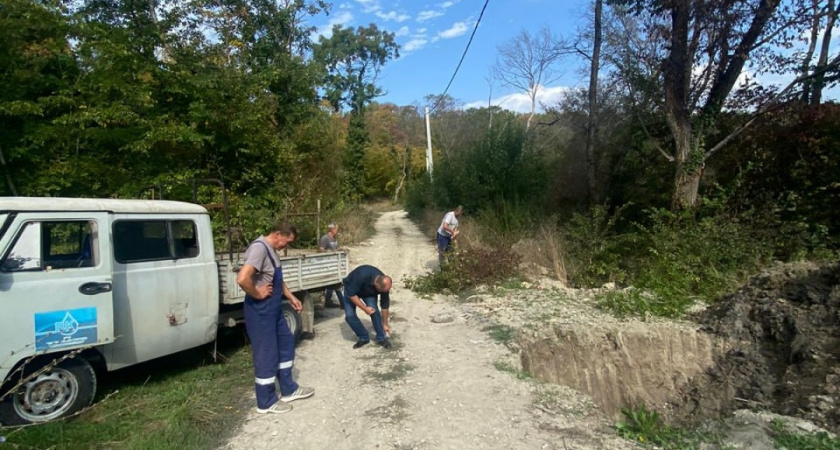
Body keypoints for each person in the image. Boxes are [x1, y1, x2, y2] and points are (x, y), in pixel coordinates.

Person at [236, 222, 314, 414]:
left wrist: (291, 297)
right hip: (261, 309)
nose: (285, 246)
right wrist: (257, 293)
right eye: (286, 242)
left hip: (275, 308)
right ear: (278, 234)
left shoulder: (271, 250)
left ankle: (288, 389)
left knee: (286, 342)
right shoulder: (259, 249)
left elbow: (276, 280)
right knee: (266, 353)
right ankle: (266, 401)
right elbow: (242, 278)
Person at [341, 265, 392, 349]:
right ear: (376, 286)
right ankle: (363, 337)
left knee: (374, 312)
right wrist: (365, 309)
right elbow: (351, 295)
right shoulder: (361, 275)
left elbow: (385, 306)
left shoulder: (384, 284)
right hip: (351, 290)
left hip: (368, 293)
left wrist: (385, 324)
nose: (384, 293)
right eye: (381, 292)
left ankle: (381, 338)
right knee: (350, 317)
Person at [318, 223, 345, 309]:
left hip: (335, 264)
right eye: (336, 229)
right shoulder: (325, 238)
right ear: (332, 229)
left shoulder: (334, 239)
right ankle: (342, 303)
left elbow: (336, 249)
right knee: (334, 283)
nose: (337, 231)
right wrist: (329, 252)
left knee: (334, 283)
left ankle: (329, 301)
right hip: (328, 264)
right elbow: (321, 251)